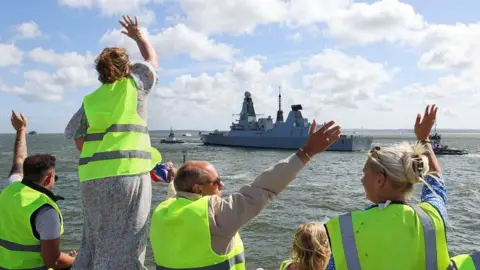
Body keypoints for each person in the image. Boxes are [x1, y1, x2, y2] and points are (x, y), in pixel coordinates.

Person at [149, 120, 342, 269]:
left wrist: (175, 176)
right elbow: (263, 187)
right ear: (198, 190)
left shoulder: (163, 211)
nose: (222, 184)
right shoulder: (215, 216)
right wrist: (307, 152)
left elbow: (176, 192)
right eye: (216, 182)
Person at [64, 15, 162, 269]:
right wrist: (139, 36)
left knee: (94, 239)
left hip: (92, 178)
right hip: (128, 176)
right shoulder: (135, 85)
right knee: (129, 242)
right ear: (128, 68)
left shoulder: (91, 99)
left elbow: (76, 137)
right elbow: (152, 61)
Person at [323, 105, 451, 270]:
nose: (362, 180)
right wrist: (424, 139)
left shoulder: (344, 229)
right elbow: (436, 182)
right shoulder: (433, 215)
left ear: (379, 180)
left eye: (365, 174)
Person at [0, 111, 76, 269]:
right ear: (48, 178)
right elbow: (53, 261)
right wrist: (79, 259)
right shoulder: (45, 211)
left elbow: (18, 160)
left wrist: (21, 130)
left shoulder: (10, 188)